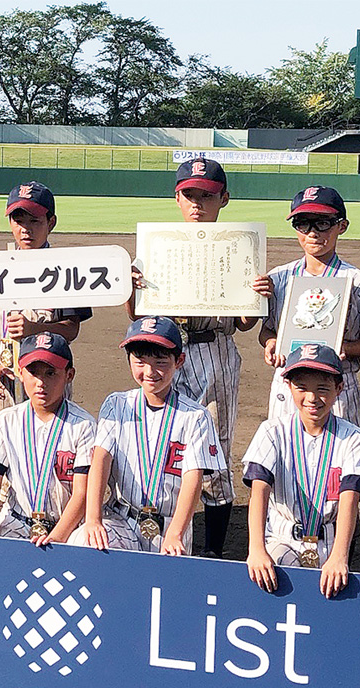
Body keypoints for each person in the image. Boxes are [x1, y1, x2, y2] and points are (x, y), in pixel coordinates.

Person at [126, 157, 254, 558]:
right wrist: (133, 288)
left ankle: (214, 552)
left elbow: (246, 322)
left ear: (224, 199)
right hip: (164, 353)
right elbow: (136, 316)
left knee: (214, 451)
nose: (197, 203)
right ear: (177, 198)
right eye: (189, 194)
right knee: (158, 445)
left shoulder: (240, 248)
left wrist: (257, 295)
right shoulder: (156, 249)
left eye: (207, 195)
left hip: (212, 348)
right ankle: (154, 533)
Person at [71, 317, 224, 555]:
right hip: (123, 519)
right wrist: (93, 518)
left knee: (166, 587)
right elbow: (100, 460)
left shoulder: (196, 416)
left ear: (179, 361)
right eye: (140, 362)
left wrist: (175, 533)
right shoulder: (116, 404)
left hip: (171, 526)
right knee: (83, 541)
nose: (150, 372)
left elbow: (193, 479)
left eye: (161, 362)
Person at [243, 344, 360, 599]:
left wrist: (340, 556)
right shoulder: (272, 431)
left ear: (339, 388)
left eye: (323, 389)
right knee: (283, 580)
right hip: (282, 537)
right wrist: (257, 548)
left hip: (329, 541)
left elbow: (351, 498)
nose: (312, 398)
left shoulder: (353, 437)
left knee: (329, 600)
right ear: (289, 386)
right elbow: (258, 492)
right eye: (302, 388)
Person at [258, 185, 360, 428]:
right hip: (289, 382)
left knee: (341, 456)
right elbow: (268, 330)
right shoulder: (279, 276)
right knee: (285, 452)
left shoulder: (356, 280)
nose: (312, 232)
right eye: (303, 223)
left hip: (337, 384)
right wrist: (271, 343)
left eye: (322, 222)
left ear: (342, 226)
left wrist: (342, 347)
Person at [0, 182, 91, 419]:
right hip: (5, 378)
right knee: (5, 446)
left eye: (35, 221)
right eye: (19, 220)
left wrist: (35, 328)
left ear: (51, 222)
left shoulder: (65, 269)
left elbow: (72, 328)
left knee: (53, 440)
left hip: (48, 379)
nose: (26, 229)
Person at [0, 332, 94, 544]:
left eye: (51, 373)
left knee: (85, 543)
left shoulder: (83, 425)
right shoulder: (7, 420)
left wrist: (56, 537)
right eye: (33, 372)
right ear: (20, 373)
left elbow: (82, 493)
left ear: (69, 375)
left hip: (66, 526)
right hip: (17, 521)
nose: (41, 382)